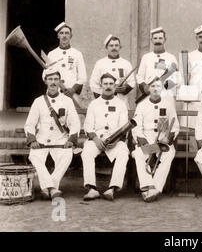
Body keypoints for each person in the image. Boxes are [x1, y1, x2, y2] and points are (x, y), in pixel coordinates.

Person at [24, 69, 80, 200]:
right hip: (41, 141)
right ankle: (53, 188)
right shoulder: (38, 101)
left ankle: (46, 187)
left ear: (60, 82)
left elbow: (75, 123)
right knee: (34, 156)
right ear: (45, 81)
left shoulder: (67, 101)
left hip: (60, 141)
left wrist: (71, 140)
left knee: (67, 156)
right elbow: (29, 124)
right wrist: (32, 140)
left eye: (56, 79)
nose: (53, 82)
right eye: (50, 79)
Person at [82, 73, 130, 201]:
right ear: (101, 86)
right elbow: (88, 125)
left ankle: (112, 188)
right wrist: (95, 139)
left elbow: (124, 126)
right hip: (96, 140)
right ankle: (92, 189)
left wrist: (116, 140)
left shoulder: (121, 104)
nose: (108, 87)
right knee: (86, 152)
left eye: (111, 84)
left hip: (115, 140)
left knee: (123, 152)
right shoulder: (94, 104)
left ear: (115, 86)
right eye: (105, 84)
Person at [131, 79, 180, 202]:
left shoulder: (168, 104)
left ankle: (156, 188)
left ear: (162, 88)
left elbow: (175, 127)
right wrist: (143, 141)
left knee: (169, 155)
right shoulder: (142, 105)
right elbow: (136, 127)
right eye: (152, 86)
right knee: (138, 154)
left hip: (162, 141)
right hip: (147, 139)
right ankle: (146, 185)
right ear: (148, 88)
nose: (155, 88)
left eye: (158, 86)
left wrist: (167, 138)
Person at [42, 22, 87, 100]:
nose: (64, 36)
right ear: (58, 36)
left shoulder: (77, 54)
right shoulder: (51, 54)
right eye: (61, 33)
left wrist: (73, 89)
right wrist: (54, 86)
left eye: (67, 33)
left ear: (71, 36)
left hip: (71, 94)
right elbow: (44, 75)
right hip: (54, 93)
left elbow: (83, 77)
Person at [89, 35, 136, 108]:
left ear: (120, 47)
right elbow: (93, 83)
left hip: (121, 101)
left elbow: (132, 82)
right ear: (106, 47)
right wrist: (103, 94)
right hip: (104, 103)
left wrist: (124, 88)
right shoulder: (100, 63)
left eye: (116, 45)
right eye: (111, 45)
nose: (114, 48)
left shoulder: (126, 63)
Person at [136, 27, 180, 103]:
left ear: (164, 40)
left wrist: (166, 84)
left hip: (166, 96)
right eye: (155, 38)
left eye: (160, 38)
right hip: (149, 95)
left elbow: (178, 79)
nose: (158, 41)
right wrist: (145, 86)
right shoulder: (146, 57)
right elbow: (140, 76)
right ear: (151, 40)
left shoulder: (171, 57)